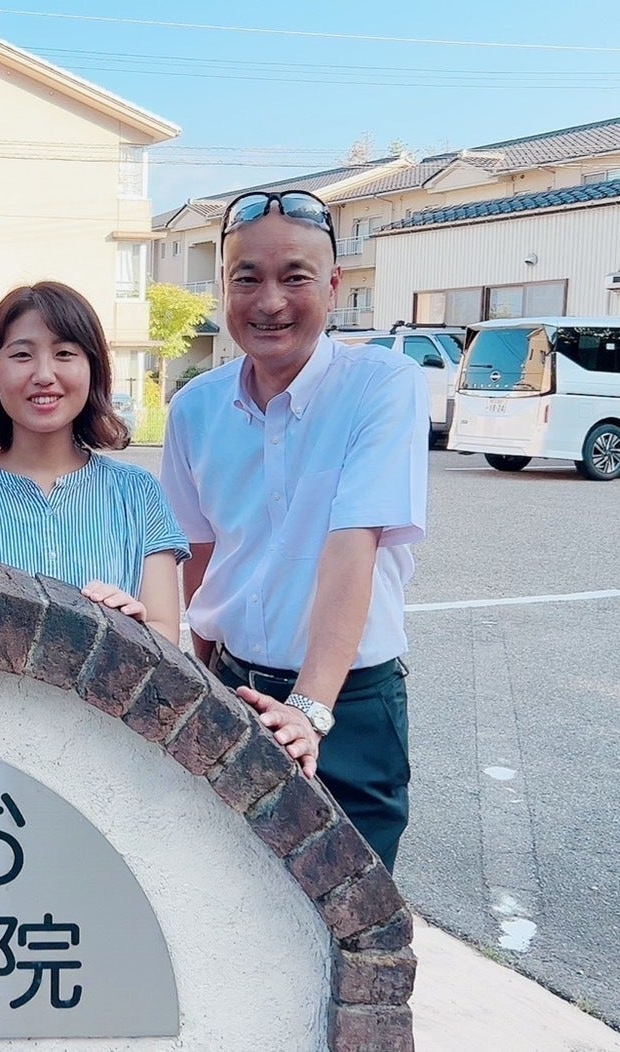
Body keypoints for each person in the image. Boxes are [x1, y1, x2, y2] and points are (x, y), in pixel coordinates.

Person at [159, 189, 428, 870]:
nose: (269, 301)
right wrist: (200, 679)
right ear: (224, 287)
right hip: (235, 687)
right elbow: (200, 559)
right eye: (246, 278)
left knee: (353, 905)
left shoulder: (383, 385)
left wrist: (310, 709)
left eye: (295, 277)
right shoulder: (194, 409)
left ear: (333, 287)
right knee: (232, 896)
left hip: (348, 705)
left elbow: (352, 546)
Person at [0, 282, 186, 640]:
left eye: (65, 353)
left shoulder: (139, 493)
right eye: (22, 355)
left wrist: (128, 627)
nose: (44, 375)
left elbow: (165, 634)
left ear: (94, 368)